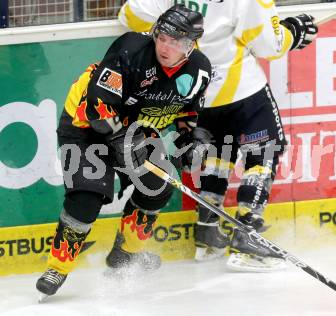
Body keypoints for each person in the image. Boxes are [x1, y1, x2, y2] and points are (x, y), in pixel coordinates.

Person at [118, 0, 318, 271]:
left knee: (219, 154)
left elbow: (131, 15)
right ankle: (248, 235)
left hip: (194, 89)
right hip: (241, 90)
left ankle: (208, 235)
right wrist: (293, 32)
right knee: (265, 151)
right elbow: (268, 45)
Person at [36, 4, 211, 298]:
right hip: (85, 125)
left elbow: (186, 113)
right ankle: (58, 266)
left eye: (176, 41)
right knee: (86, 194)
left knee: (158, 186)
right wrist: (122, 143)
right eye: (163, 37)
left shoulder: (200, 70)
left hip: (134, 128)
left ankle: (124, 255)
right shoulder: (131, 50)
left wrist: (191, 138)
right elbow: (97, 106)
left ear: (191, 45)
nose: (166, 46)